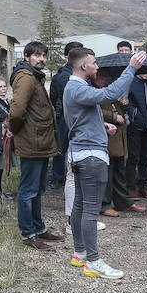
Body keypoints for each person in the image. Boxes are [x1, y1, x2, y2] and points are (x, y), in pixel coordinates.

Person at [62, 47, 147, 280]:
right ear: (83, 66)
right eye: (94, 63)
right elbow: (110, 94)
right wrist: (132, 68)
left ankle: (79, 254)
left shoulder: (77, 88)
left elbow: (82, 116)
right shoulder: (77, 87)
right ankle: (93, 261)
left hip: (81, 154)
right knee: (90, 210)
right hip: (90, 157)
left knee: (79, 205)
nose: (97, 66)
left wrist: (102, 125)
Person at [8, 41, 64, 251]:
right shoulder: (25, 78)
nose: (42, 59)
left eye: (44, 55)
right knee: (28, 190)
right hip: (32, 141)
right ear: (27, 57)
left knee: (38, 188)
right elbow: (17, 112)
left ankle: (39, 229)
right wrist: (17, 130)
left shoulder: (34, 77)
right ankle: (28, 233)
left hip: (41, 141)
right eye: (37, 55)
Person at [98, 76, 145, 216]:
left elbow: (121, 112)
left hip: (119, 137)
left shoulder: (110, 92)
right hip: (107, 137)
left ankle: (123, 202)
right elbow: (94, 111)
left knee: (119, 171)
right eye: (103, 75)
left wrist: (124, 105)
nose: (105, 79)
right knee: (107, 173)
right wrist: (112, 117)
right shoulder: (94, 92)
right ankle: (105, 204)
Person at [47, 41, 83, 191]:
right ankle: (57, 178)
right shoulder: (61, 76)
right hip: (64, 117)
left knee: (80, 148)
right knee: (60, 148)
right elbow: (54, 97)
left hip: (81, 117)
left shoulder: (86, 74)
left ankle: (79, 176)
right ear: (67, 57)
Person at [126, 69, 147, 199]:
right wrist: (132, 116)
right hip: (135, 126)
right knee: (133, 157)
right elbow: (124, 101)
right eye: (146, 70)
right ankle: (130, 186)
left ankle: (143, 186)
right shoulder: (131, 81)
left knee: (146, 158)